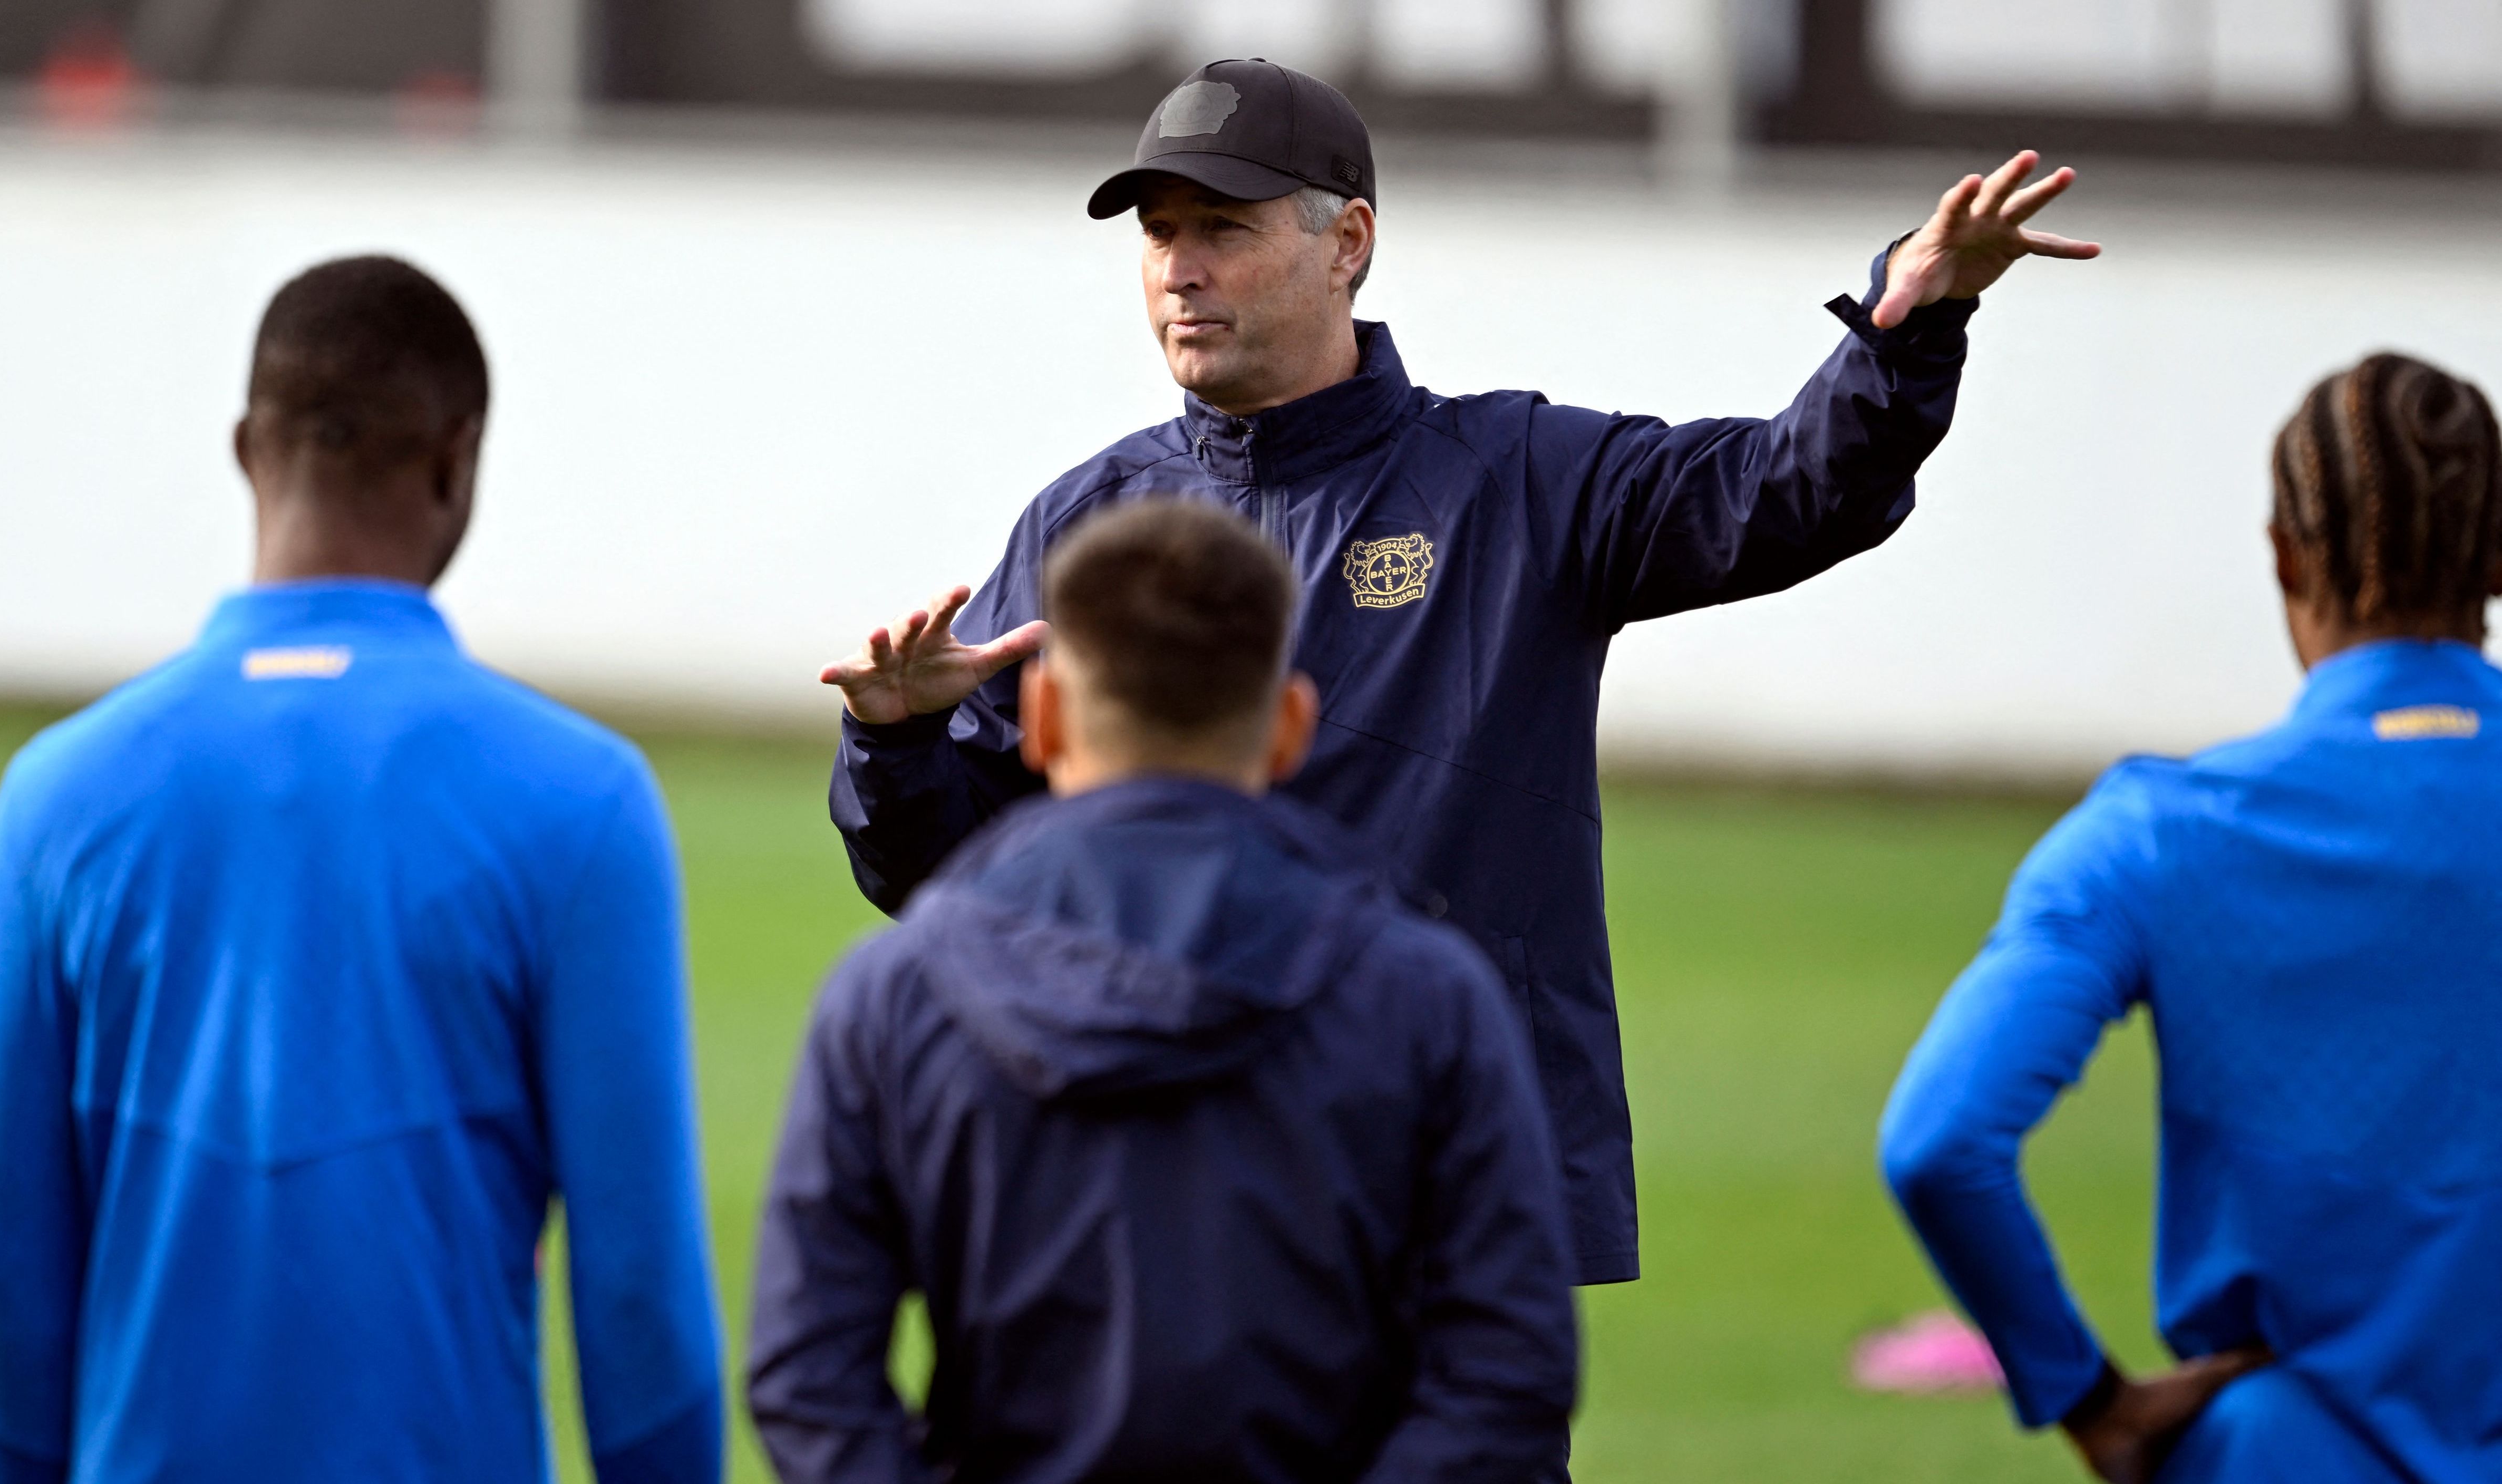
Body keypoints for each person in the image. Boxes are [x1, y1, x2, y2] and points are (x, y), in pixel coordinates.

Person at [821, 56, 2100, 1287]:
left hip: (1452, 1184)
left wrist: (1910, 327)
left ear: (1349, 242)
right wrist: (900, 746)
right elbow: (957, 885)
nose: (1181, 269)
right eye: (1158, 234)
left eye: (1220, 224)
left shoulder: (1516, 478)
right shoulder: (1085, 522)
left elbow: (1783, 493)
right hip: (1172, 1180)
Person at [0, 256, 723, 1483]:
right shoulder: (583, 797)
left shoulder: (54, 797)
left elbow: (8, 1282)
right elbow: (637, 1296)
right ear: (456, 460)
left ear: (248, 450)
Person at [752, 500, 1578, 1483]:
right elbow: (1508, 1372)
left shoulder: (894, 995)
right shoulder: (1429, 997)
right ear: (1289, 728)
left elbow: (811, 1378)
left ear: (1046, 716)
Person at [1878, 353, 2502, 1484]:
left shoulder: (2163, 832)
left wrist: (2084, 1392)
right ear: (2499, 556)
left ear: (2286, 555)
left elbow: (1939, 1140)